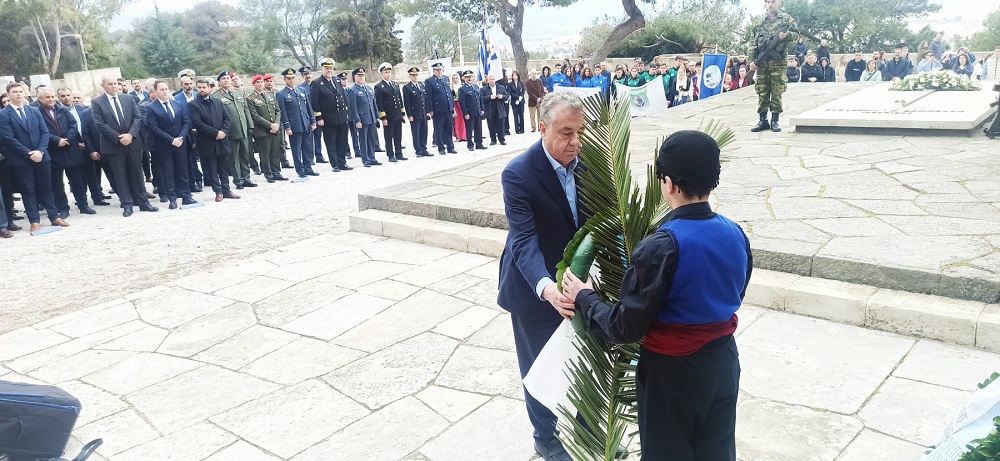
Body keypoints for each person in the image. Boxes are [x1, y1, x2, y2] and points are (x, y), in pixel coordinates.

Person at [561, 130, 751, 461]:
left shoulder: (662, 246)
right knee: (717, 450)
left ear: (669, 184)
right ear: (713, 180)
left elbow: (624, 327)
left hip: (672, 374)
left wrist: (584, 297)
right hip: (722, 363)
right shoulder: (736, 234)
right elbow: (736, 292)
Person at [497, 91, 587, 461]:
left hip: (580, 285)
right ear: (542, 127)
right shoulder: (518, 174)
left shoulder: (587, 163)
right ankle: (545, 439)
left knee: (585, 359)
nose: (575, 142)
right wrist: (546, 287)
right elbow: (523, 241)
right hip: (533, 285)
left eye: (580, 132)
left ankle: (588, 428)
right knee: (538, 367)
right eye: (566, 132)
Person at [0, 83, 71, 232]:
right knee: (28, 190)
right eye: (15, 92)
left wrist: (40, 151)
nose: (19, 94)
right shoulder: (3, 114)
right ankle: (34, 221)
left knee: (46, 187)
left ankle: (54, 216)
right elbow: (8, 138)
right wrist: (29, 153)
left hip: (42, 157)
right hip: (20, 160)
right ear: (8, 95)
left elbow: (44, 132)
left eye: (21, 91)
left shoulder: (34, 111)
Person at [90, 75, 156, 217]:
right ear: (103, 86)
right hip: (113, 144)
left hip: (133, 142)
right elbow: (99, 123)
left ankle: (143, 203)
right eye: (110, 84)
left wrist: (130, 135)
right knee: (120, 176)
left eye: (115, 83)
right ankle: (127, 204)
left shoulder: (128, 98)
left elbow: (137, 117)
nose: (113, 86)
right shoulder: (97, 102)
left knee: (137, 174)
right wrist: (118, 137)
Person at [37, 87, 92, 218]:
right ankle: (63, 208)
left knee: (77, 180)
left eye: (52, 97)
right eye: (47, 97)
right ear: (40, 99)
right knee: (56, 183)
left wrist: (66, 139)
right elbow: (40, 131)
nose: (51, 100)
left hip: (70, 149)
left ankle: (83, 205)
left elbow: (73, 125)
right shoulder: (36, 113)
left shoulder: (63, 110)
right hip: (53, 151)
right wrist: (56, 140)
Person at [145, 80, 197, 209]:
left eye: (166, 89)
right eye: (161, 89)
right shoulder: (151, 108)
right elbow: (154, 128)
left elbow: (186, 123)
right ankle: (172, 198)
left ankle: (186, 196)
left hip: (180, 144)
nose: (164, 91)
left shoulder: (177, 104)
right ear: (156, 91)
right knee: (168, 172)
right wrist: (171, 140)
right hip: (164, 145)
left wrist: (181, 137)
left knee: (182, 171)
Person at [748, 0, 797, 133]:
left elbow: (797, 37)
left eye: (773, 1)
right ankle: (762, 120)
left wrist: (787, 35)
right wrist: (751, 60)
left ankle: (775, 120)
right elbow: (752, 42)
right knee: (762, 90)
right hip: (762, 63)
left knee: (776, 91)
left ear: (779, 3)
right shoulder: (758, 22)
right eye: (768, 1)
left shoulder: (786, 19)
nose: (770, 4)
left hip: (778, 62)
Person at [188, 78, 240, 203]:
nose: (201, 89)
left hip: (222, 140)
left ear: (209, 88)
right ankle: (218, 191)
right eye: (199, 87)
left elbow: (227, 118)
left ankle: (226, 190)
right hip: (207, 141)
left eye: (204, 87)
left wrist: (223, 132)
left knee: (223, 166)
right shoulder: (193, 105)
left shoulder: (218, 102)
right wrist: (216, 133)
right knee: (211, 168)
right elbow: (198, 123)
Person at [214, 71, 256, 189]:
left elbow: (245, 109)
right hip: (230, 132)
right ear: (219, 82)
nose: (226, 80)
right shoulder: (216, 96)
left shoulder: (239, 92)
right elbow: (217, 116)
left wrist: (250, 125)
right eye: (223, 79)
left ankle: (246, 178)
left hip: (243, 129)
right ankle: (238, 180)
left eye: (228, 78)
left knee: (245, 154)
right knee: (233, 157)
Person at [310, 58, 353, 172]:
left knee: (342, 140)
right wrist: (319, 117)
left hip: (341, 116)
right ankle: (335, 164)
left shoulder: (337, 81)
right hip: (328, 118)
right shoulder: (317, 83)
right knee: (331, 142)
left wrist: (346, 113)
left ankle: (342, 162)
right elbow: (315, 102)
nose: (329, 70)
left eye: (330, 68)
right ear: (322, 69)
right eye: (326, 68)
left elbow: (343, 97)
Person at [276, 68, 320, 177]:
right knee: (296, 149)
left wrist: (312, 120)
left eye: (293, 78)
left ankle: (308, 167)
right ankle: (300, 170)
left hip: (305, 123)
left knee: (308, 147)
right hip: (294, 125)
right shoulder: (281, 94)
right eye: (289, 78)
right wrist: (287, 126)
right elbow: (283, 111)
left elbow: (308, 106)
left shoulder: (302, 90)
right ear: (285, 79)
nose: (291, 80)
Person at [247, 74, 287, 183]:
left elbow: (278, 111)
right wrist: (270, 125)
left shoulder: (270, 95)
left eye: (261, 82)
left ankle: (276, 172)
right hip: (262, 130)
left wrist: (276, 124)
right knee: (265, 153)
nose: (260, 84)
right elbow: (255, 116)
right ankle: (268, 173)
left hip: (275, 129)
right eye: (257, 82)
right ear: (254, 84)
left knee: (275, 151)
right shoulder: (251, 98)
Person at [346, 67, 381, 167]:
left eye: (363, 75)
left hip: (371, 117)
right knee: (363, 139)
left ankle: (372, 157)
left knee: (371, 138)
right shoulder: (353, 90)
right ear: (355, 77)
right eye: (359, 76)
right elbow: (353, 107)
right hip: (362, 119)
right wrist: (357, 120)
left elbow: (373, 104)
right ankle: (365, 159)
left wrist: (377, 116)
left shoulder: (368, 88)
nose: (361, 77)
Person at [373, 62, 407, 163]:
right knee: (388, 136)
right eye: (386, 72)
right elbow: (379, 103)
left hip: (397, 114)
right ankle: (390, 155)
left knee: (398, 135)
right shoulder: (379, 87)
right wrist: (383, 118)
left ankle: (399, 153)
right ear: (381, 74)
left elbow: (399, 99)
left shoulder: (395, 84)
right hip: (388, 115)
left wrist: (402, 113)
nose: (388, 74)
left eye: (389, 72)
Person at [425, 62, 457, 155]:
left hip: (448, 108)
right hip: (438, 109)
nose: (439, 72)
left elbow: (449, 94)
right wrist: (430, 110)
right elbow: (429, 97)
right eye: (437, 70)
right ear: (433, 71)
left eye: (440, 70)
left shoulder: (446, 79)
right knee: (439, 129)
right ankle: (441, 148)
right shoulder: (430, 81)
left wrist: (452, 107)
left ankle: (450, 147)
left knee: (448, 128)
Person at [297, 66, 325, 165]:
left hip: (317, 115)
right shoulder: (300, 88)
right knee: (309, 139)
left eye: (309, 73)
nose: (308, 76)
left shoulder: (316, 85)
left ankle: (319, 156)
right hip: (308, 117)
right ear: (302, 76)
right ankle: (310, 158)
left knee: (318, 136)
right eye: (305, 74)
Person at [402, 67, 430, 157]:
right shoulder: (407, 87)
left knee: (424, 131)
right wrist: (409, 115)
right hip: (415, 114)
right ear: (410, 76)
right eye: (413, 75)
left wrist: (427, 111)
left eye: (416, 75)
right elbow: (407, 102)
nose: (415, 77)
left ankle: (424, 148)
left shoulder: (421, 85)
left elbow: (425, 100)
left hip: (423, 112)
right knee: (416, 133)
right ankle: (418, 150)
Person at [458, 71, 485, 152]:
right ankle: (470, 144)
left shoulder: (476, 87)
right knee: (469, 129)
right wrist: (465, 113)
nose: (469, 78)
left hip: (477, 111)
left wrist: (482, 109)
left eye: (471, 77)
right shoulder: (462, 89)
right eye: (467, 77)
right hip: (469, 113)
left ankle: (479, 143)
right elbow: (462, 103)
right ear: (464, 78)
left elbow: (480, 99)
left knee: (478, 128)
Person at [481, 75, 508, 146]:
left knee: (501, 126)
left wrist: (502, 96)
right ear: (488, 80)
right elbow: (481, 98)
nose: (492, 80)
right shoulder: (484, 89)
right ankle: (493, 140)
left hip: (499, 109)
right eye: (490, 79)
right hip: (490, 110)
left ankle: (502, 139)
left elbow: (506, 96)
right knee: (491, 126)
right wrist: (489, 97)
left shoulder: (501, 87)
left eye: (493, 79)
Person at [451, 73, 467, 144]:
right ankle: (458, 135)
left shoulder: (462, 86)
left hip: (461, 104)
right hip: (454, 105)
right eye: (453, 78)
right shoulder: (450, 87)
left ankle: (463, 135)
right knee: (456, 121)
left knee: (463, 120)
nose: (455, 80)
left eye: (456, 78)